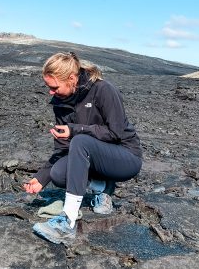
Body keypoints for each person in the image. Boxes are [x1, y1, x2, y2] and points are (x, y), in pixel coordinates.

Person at [23, 51, 142, 245]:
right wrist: (41, 178)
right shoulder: (60, 104)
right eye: (48, 87)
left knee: (80, 141)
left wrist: (76, 130)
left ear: (71, 78)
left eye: (54, 87)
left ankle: (67, 221)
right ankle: (102, 187)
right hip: (95, 158)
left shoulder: (103, 90)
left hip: (126, 157)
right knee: (58, 173)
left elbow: (116, 133)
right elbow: (62, 149)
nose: (50, 92)